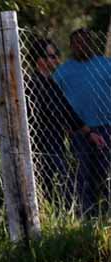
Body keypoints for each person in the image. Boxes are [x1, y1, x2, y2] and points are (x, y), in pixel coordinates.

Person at [25, 38, 100, 209]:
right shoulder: (32, 85)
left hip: (56, 144)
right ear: (40, 60)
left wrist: (89, 133)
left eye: (57, 55)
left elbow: (66, 111)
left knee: (63, 186)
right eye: (52, 56)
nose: (57, 60)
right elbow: (52, 113)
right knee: (60, 189)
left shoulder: (51, 83)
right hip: (42, 147)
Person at [53, 28, 111, 217]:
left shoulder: (105, 65)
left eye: (85, 41)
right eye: (77, 42)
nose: (81, 45)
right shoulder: (62, 72)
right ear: (71, 46)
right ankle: (87, 214)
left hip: (106, 127)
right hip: (78, 130)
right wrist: (65, 126)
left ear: (92, 43)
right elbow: (54, 101)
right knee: (83, 173)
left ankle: (107, 212)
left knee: (106, 172)